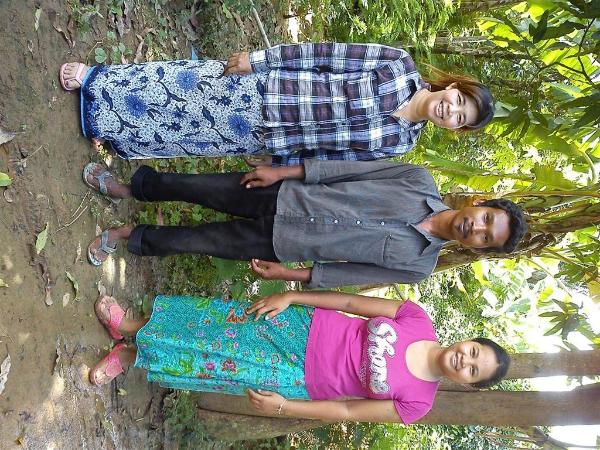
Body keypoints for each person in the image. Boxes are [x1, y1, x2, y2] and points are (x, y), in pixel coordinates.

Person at [83, 159, 528, 288]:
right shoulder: (418, 179)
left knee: (197, 241)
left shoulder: (419, 266)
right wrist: (280, 172)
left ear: (478, 249)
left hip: (284, 241)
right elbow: (346, 171)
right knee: (195, 185)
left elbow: (348, 275)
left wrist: (288, 275)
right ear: (480, 204)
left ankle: (126, 236)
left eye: (486, 238)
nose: (477, 228)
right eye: (486, 219)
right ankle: (126, 188)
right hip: (284, 193)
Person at [89, 290, 510, 423]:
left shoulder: (418, 403)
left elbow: (347, 410)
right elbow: (350, 303)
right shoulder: (417, 318)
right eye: (474, 352)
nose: (465, 361)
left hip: (293, 376)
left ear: (468, 383)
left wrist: (285, 406)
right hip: (301, 327)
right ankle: (130, 325)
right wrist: (293, 296)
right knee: (216, 321)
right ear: (468, 341)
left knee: (212, 362)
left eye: (474, 371)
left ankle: (130, 357)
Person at [60, 43, 495, 164]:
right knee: (180, 85)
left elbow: (333, 156)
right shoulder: (398, 64)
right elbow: (324, 54)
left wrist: (281, 163)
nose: (451, 110)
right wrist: (260, 59)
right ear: (453, 86)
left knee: (190, 134)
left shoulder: (402, 143)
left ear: (455, 129)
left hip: (270, 134)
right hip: (267, 87)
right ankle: (98, 80)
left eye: (460, 118)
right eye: (458, 100)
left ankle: (112, 130)